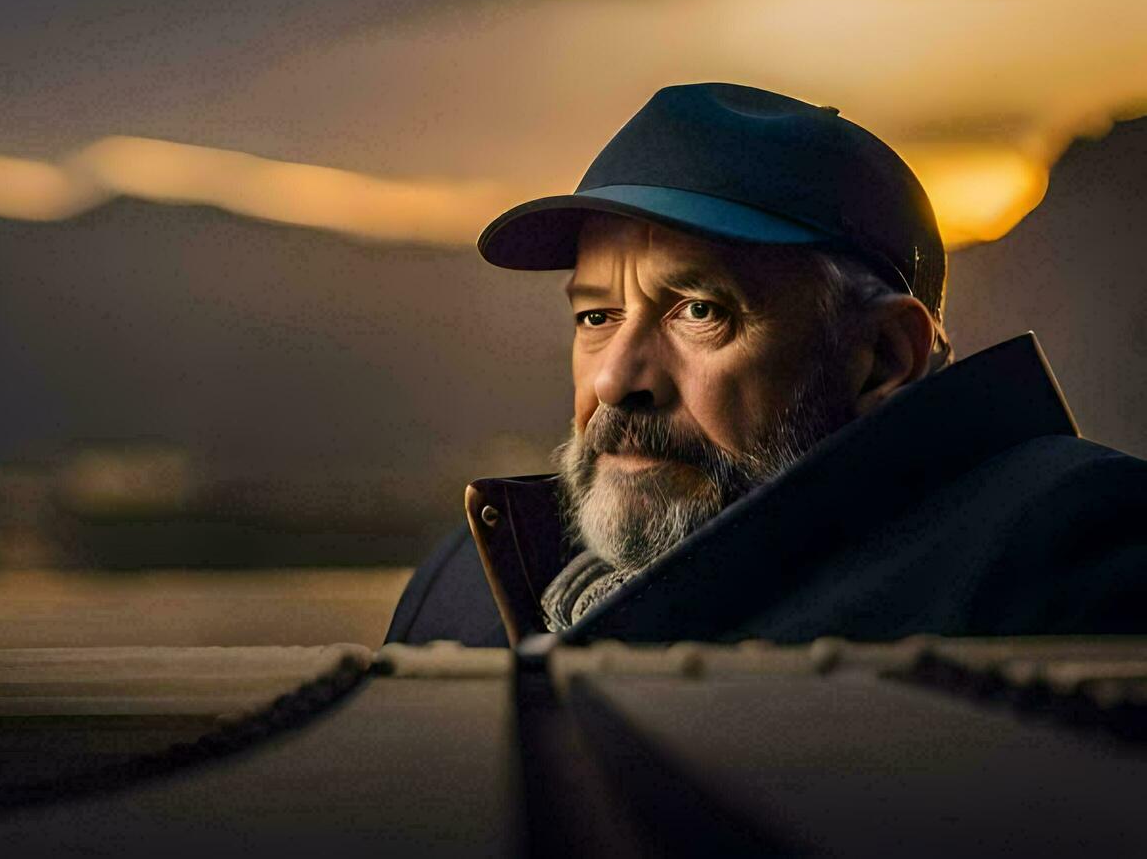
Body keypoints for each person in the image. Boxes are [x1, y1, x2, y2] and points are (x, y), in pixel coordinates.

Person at [385, 82, 1147, 648]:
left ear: (882, 359)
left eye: (699, 311)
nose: (617, 380)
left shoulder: (1078, 558)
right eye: (596, 316)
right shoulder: (461, 587)